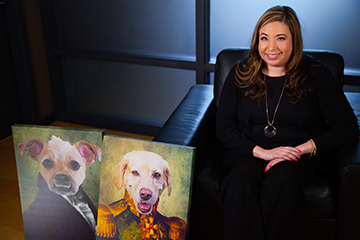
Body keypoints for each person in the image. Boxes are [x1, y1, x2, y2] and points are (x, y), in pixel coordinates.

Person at [216, 5, 359, 240]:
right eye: (264, 38)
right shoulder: (241, 72)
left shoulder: (316, 73)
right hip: (248, 150)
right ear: (257, 41)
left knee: (283, 180)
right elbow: (224, 127)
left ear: (294, 41)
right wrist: (262, 152)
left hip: (297, 156)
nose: (271, 47)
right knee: (238, 180)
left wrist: (300, 150)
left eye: (280, 38)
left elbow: (347, 127)